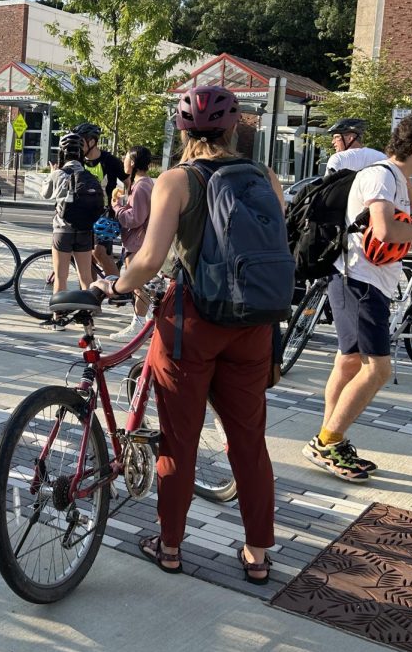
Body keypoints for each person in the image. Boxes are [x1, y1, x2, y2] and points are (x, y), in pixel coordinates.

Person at [91, 85, 284, 584]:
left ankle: (170, 545)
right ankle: (258, 553)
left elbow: (152, 259)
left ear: (183, 130)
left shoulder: (177, 180)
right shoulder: (265, 176)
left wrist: (115, 283)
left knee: (180, 440)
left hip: (192, 321)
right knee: (249, 441)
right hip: (254, 322)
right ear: (234, 125)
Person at [308, 111, 412, 482]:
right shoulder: (381, 175)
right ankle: (328, 440)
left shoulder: (400, 180)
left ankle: (329, 437)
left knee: (348, 363)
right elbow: (384, 228)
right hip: (359, 281)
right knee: (378, 369)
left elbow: (406, 235)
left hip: (362, 280)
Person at [41, 132, 95, 326]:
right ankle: (88, 317)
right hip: (85, 231)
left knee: (61, 277)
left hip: (62, 231)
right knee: (86, 277)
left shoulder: (58, 174)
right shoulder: (88, 175)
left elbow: (45, 194)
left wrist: (52, 172)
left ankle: (59, 316)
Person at [109, 145, 154, 342]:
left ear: (133, 162)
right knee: (143, 285)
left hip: (138, 243)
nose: (123, 160)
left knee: (138, 285)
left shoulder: (142, 186)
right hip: (139, 241)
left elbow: (135, 218)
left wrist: (117, 207)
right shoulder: (142, 184)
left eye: (125, 157)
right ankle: (149, 322)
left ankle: (139, 324)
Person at [74, 122, 127, 277]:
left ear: (92, 141)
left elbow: (129, 182)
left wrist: (124, 203)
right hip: (84, 214)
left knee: (99, 252)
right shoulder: (78, 162)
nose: (77, 146)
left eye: (80, 141)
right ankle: (93, 292)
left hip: (106, 215)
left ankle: (120, 290)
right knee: (85, 255)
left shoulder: (110, 160)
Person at [323, 117, 388, 175]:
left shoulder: (338, 158)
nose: (333, 142)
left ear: (350, 138)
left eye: (336, 137)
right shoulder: (382, 157)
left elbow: (328, 187)